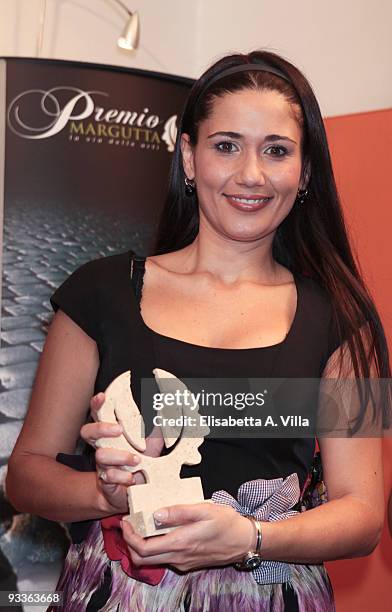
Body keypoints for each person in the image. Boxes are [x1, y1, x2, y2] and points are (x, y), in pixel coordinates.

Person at [5, 49, 390, 612]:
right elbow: (24, 475)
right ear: (188, 157)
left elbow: (364, 516)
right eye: (226, 145)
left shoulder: (343, 317)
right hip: (120, 594)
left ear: (304, 171)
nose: (250, 174)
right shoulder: (99, 292)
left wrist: (250, 540)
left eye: (277, 151)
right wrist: (102, 491)